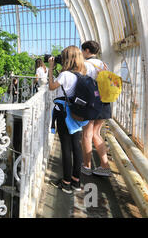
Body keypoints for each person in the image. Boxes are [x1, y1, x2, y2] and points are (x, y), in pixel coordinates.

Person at [48, 46, 87, 194]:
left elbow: (52, 87)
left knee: (66, 147)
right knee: (76, 146)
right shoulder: (82, 73)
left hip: (64, 113)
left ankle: (66, 182)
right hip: (78, 113)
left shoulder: (65, 75)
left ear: (67, 58)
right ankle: (76, 181)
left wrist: (51, 68)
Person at [81, 41, 112, 177]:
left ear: (87, 51)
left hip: (91, 103)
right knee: (96, 134)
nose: (81, 53)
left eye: (83, 51)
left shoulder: (86, 65)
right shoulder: (104, 65)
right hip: (104, 102)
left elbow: (82, 84)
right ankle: (104, 166)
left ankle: (87, 166)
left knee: (87, 134)